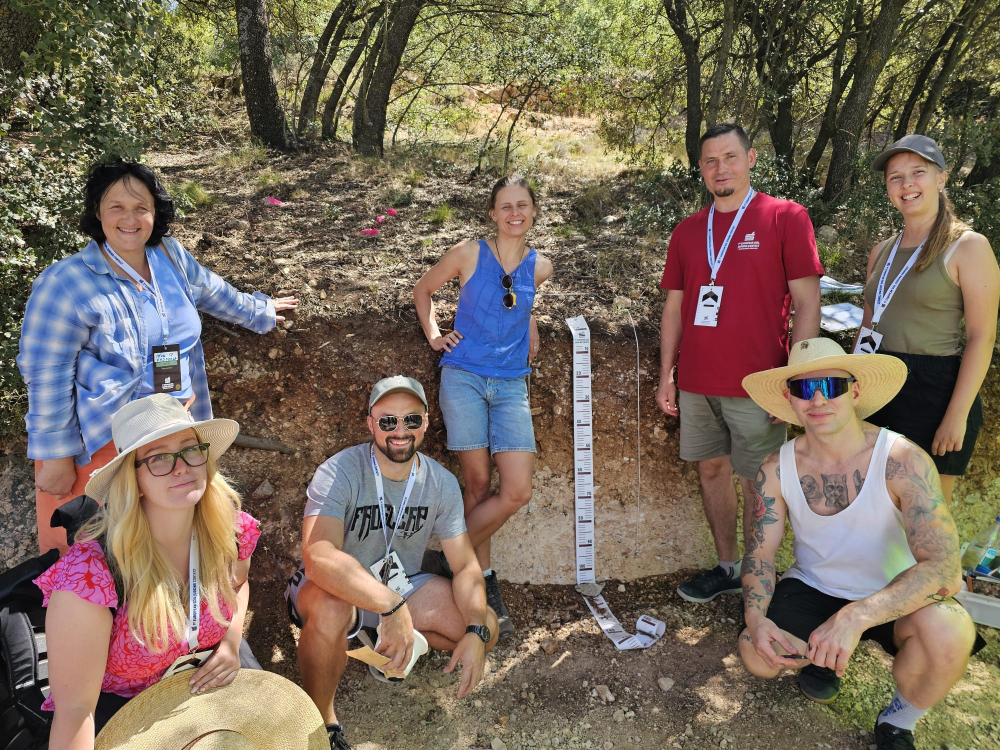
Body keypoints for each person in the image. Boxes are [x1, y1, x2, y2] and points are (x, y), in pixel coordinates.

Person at [17, 159, 298, 554]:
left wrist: (259, 311)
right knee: (97, 557)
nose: (130, 219)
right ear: (97, 210)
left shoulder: (169, 256)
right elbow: (46, 373)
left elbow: (211, 291)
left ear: (155, 211)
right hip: (105, 442)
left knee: (168, 548)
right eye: (116, 206)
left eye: (141, 207)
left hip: (173, 429)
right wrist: (55, 457)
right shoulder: (65, 283)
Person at [739, 338, 983, 750]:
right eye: (804, 388)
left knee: (952, 631)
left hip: (894, 592)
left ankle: (899, 722)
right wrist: (755, 619)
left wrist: (855, 617)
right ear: (789, 399)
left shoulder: (902, 459)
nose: (818, 399)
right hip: (815, 585)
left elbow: (945, 570)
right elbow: (760, 554)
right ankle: (824, 657)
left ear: (854, 392)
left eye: (831, 386)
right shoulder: (775, 467)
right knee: (755, 655)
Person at [33, 394, 264, 749]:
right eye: (158, 458)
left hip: (203, 681)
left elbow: (238, 584)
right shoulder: (91, 576)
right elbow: (76, 711)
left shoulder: (230, 530)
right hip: (124, 713)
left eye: (190, 449)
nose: (181, 467)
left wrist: (231, 642)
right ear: (133, 481)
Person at [655, 123, 823, 604]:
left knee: (758, 483)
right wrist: (667, 374)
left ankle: (758, 577)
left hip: (760, 385)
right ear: (701, 169)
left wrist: (791, 381)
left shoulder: (785, 217)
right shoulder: (688, 231)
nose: (720, 168)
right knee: (711, 471)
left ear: (750, 158)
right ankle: (728, 567)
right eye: (710, 161)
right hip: (697, 382)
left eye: (730, 157)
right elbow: (674, 308)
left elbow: (808, 303)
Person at [284, 376, 499, 750]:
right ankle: (323, 725)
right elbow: (318, 557)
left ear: (426, 422)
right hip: (338, 589)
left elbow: (465, 566)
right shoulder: (340, 471)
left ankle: (388, 647)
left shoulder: (440, 482)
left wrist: (476, 630)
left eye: (411, 419)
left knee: (487, 626)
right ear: (371, 424)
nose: (400, 431)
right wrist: (391, 605)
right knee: (333, 609)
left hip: (402, 585)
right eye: (388, 421)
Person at [412, 174, 553, 638]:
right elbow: (423, 290)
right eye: (505, 206)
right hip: (465, 377)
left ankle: (446, 560)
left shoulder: (541, 266)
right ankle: (482, 578)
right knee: (476, 483)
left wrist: (529, 323)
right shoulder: (468, 253)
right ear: (493, 213)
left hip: (511, 385)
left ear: (533, 211)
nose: (515, 213)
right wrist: (435, 335)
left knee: (516, 490)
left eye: (522, 205)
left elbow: (517, 301)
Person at [857, 134, 1000, 504]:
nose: (907, 184)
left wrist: (956, 414)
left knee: (925, 517)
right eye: (895, 177)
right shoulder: (881, 251)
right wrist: (854, 391)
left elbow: (982, 337)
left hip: (935, 394)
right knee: (876, 512)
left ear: (941, 178)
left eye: (917, 172)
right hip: (878, 385)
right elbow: (868, 327)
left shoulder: (968, 246)